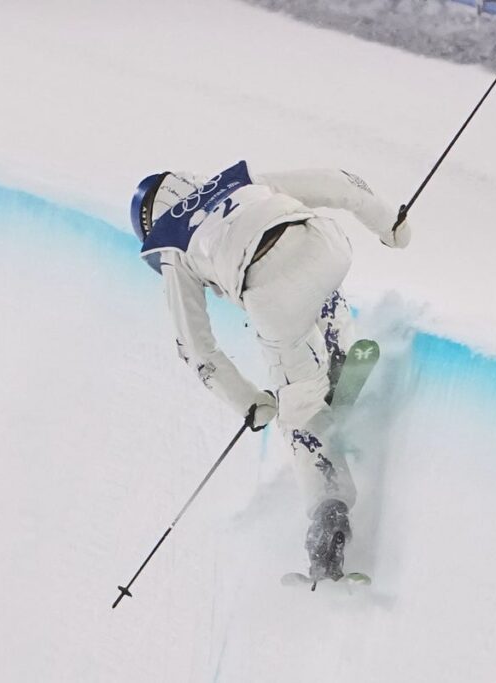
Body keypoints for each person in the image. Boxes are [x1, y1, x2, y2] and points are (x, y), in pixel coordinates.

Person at [129, 160, 411, 581]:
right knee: (320, 294)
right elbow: (337, 182)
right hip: (327, 247)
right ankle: (341, 363)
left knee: (298, 415)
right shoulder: (238, 181)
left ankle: (327, 523)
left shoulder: (171, 245)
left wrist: (252, 404)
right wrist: (389, 223)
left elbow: (195, 350)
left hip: (274, 298)